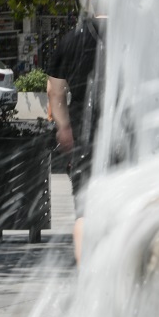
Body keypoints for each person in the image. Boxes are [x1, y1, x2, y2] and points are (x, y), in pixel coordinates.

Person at [45, 14, 105, 264]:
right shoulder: (135, 33)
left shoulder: (71, 40)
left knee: (85, 208)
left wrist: (64, 127)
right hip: (129, 127)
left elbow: (54, 91)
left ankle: (86, 274)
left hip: (85, 129)